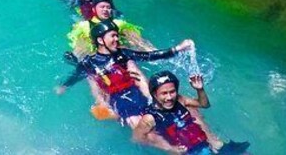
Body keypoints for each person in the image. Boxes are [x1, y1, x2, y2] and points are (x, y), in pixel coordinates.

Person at [56, 20, 194, 129]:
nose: (117, 39)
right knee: (137, 124)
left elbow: (150, 56)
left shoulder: (123, 54)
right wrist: (64, 86)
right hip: (117, 99)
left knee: (163, 118)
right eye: (113, 36)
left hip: (135, 92)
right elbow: (75, 76)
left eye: (117, 35)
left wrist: (177, 48)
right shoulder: (88, 63)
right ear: (100, 40)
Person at [134, 71, 251, 154]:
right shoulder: (150, 118)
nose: (169, 97)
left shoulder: (180, 100)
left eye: (172, 92)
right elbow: (137, 138)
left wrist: (199, 89)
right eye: (164, 93)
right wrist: (169, 148)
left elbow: (204, 104)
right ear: (154, 94)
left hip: (204, 144)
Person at [68, 0, 150, 58]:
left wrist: (151, 50)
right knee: (84, 42)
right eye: (102, 7)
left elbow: (138, 40)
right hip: (96, 58)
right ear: (94, 9)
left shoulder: (119, 24)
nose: (105, 10)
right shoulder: (84, 26)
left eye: (108, 7)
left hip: (119, 55)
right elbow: (79, 45)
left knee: (131, 37)